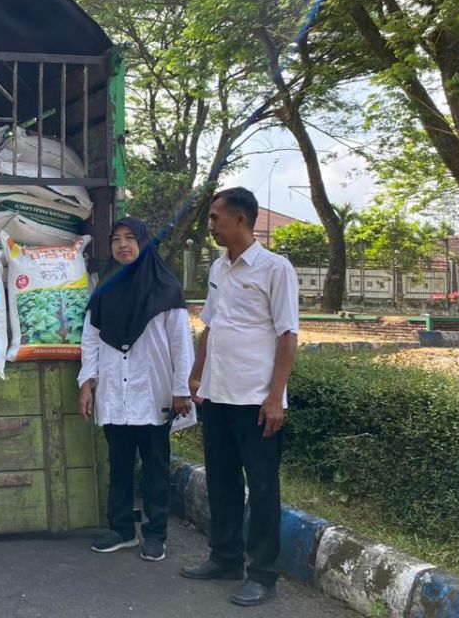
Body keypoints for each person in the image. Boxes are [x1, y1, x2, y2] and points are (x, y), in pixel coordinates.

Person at [181, 187, 299, 607]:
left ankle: (263, 574)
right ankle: (225, 556)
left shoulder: (274, 268)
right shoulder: (219, 267)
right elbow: (211, 326)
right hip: (217, 394)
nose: (210, 225)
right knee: (222, 481)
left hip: (256, 399)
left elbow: (288, 335)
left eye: (215, 218)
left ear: (241, 220)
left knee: (263, 487)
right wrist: (196, 376)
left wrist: (275, 397)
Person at [79, 216, 194, 562]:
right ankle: (121, 530)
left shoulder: (166, 288)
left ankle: (155, 534)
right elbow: (90, 339)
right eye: (117, 239)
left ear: (145, 243)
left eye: (131, 238)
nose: (123, 245)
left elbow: (181, 344)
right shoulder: (104, 289)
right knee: (119, 464)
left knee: (156, 466)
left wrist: (180, 389)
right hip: (115, 391)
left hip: (153, 391)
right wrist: (87, 382)